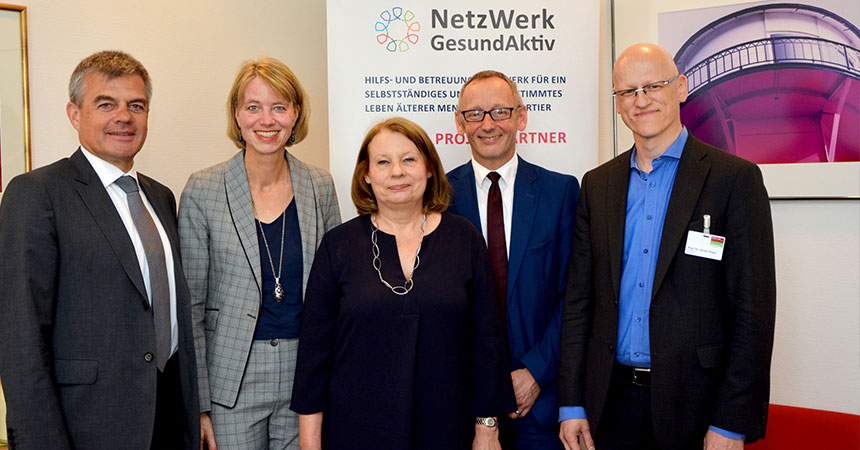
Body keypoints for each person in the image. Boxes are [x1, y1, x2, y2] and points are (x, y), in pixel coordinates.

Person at [558, 43, 776, 450]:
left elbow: (753, 311)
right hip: (609, 402)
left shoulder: (734, 180)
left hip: (696, 406)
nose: (641, 100)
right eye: (627, 91)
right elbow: (579, 302)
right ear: (618, 105)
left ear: (680, 88)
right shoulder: (597, 185)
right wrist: (571, 404)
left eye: (653, 85)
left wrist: (731, 422)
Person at [0, 50, 200, 449]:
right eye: (105, 104)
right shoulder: (38, 193)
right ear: (75, 114)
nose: (124, 116)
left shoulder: (160, 198)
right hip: (88, 426)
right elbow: (20, 338)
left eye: (136, 105)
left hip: (168, 418)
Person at [290, 117, 515, 450]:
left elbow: (486, 342)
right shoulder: (338, 246)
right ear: (366, 174)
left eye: (409, 159)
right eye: (383, 162)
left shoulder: (464, 238)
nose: (397, 171)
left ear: (428, 168)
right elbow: (313, 357)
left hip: (448, 429)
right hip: (356, 432)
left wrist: (487, 429)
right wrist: (310, 445)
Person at [178, 57, 340, 450]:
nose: (266, 120)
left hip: (305, 372)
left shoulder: (319, 185)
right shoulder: (203, 189)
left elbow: (338, 291)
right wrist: (198, 406)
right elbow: (192, 307)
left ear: (295, 114)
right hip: (231, 380)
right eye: (253, 107)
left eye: (279, 107)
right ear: (237, 116)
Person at [447, 70, 580, 449]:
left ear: (522, 116)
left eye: (500, 111)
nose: (488, 124)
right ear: (459, 123)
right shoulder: (436, 196)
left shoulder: (561, 192)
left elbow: (575, 298)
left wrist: (535, 373)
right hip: (462, 405)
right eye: (475, 114)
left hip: (542, 405)